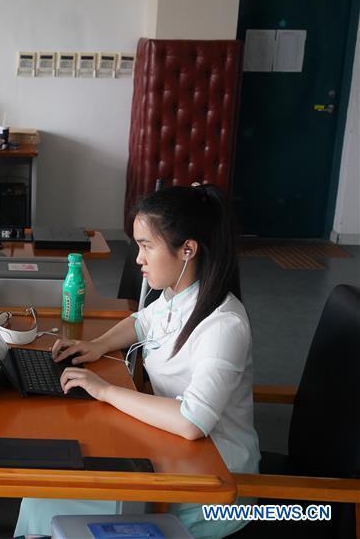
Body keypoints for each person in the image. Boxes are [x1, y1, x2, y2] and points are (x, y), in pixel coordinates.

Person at [15, 184, 260, 539]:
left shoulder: (224, 324)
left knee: (49, 501)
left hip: (211, 487)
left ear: (188, 250)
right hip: (172, 453)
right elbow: (141, 321)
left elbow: (192, 421)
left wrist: (105, 391)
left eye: (146, 246)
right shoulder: (180, 295)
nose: (138, 259)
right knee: (42, 496)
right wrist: (97, 345)